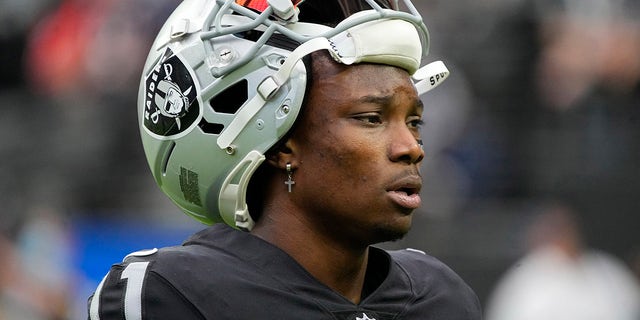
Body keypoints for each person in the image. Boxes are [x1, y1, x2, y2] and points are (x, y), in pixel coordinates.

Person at [88, 0, 482, 319]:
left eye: (414, 121)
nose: (411, 147)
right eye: (371, 118)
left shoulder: (441, 298)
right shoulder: (172, 293)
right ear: (282, 144)